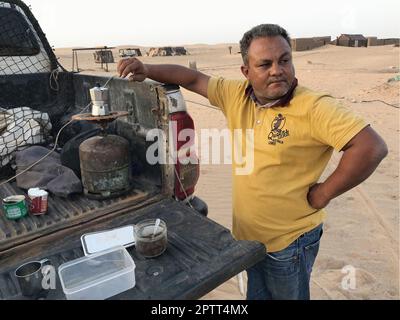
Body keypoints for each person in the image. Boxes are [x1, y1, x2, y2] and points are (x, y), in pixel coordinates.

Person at [117, 24, 388, 300]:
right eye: (265, 64)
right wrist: (147, 69)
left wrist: (324, 193)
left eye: (284, 60)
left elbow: (371, 147)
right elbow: (192, 78)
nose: (277, 70)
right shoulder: (236, 94)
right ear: (246, 72)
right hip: (249, 240)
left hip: (289, 244)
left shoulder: (314, 106)